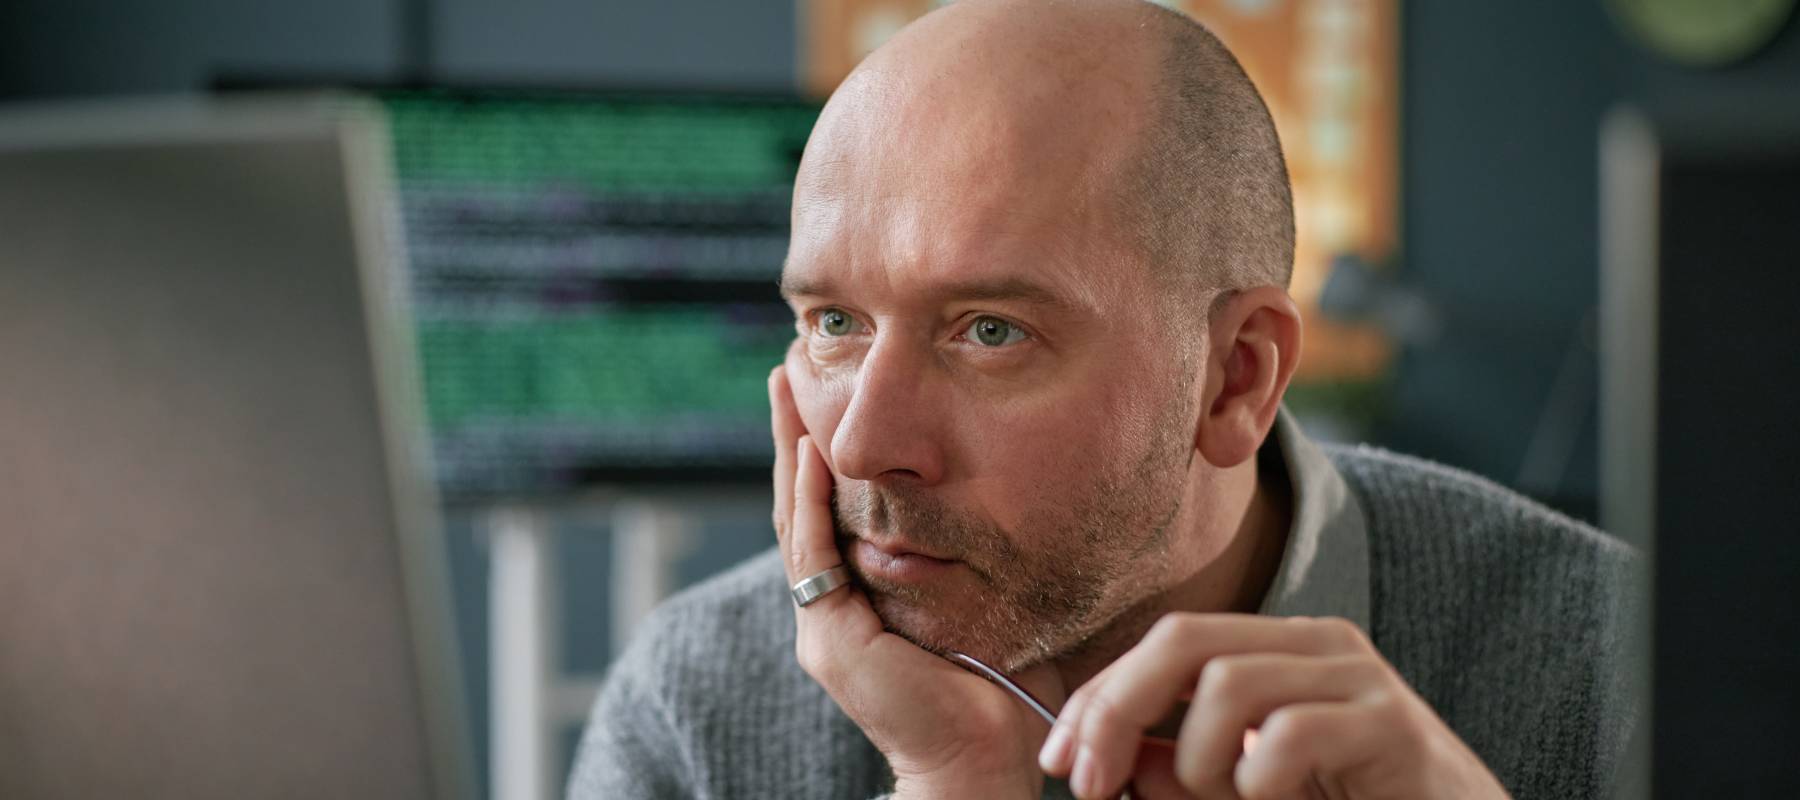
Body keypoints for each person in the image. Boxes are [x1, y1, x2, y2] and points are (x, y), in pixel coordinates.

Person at [569, 0, 1637, 797]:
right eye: (833, 324)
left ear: (1237, 376)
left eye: (991, 330)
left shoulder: (1614, 676)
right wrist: (949, 778)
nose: (859, 442)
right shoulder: (698, 709)